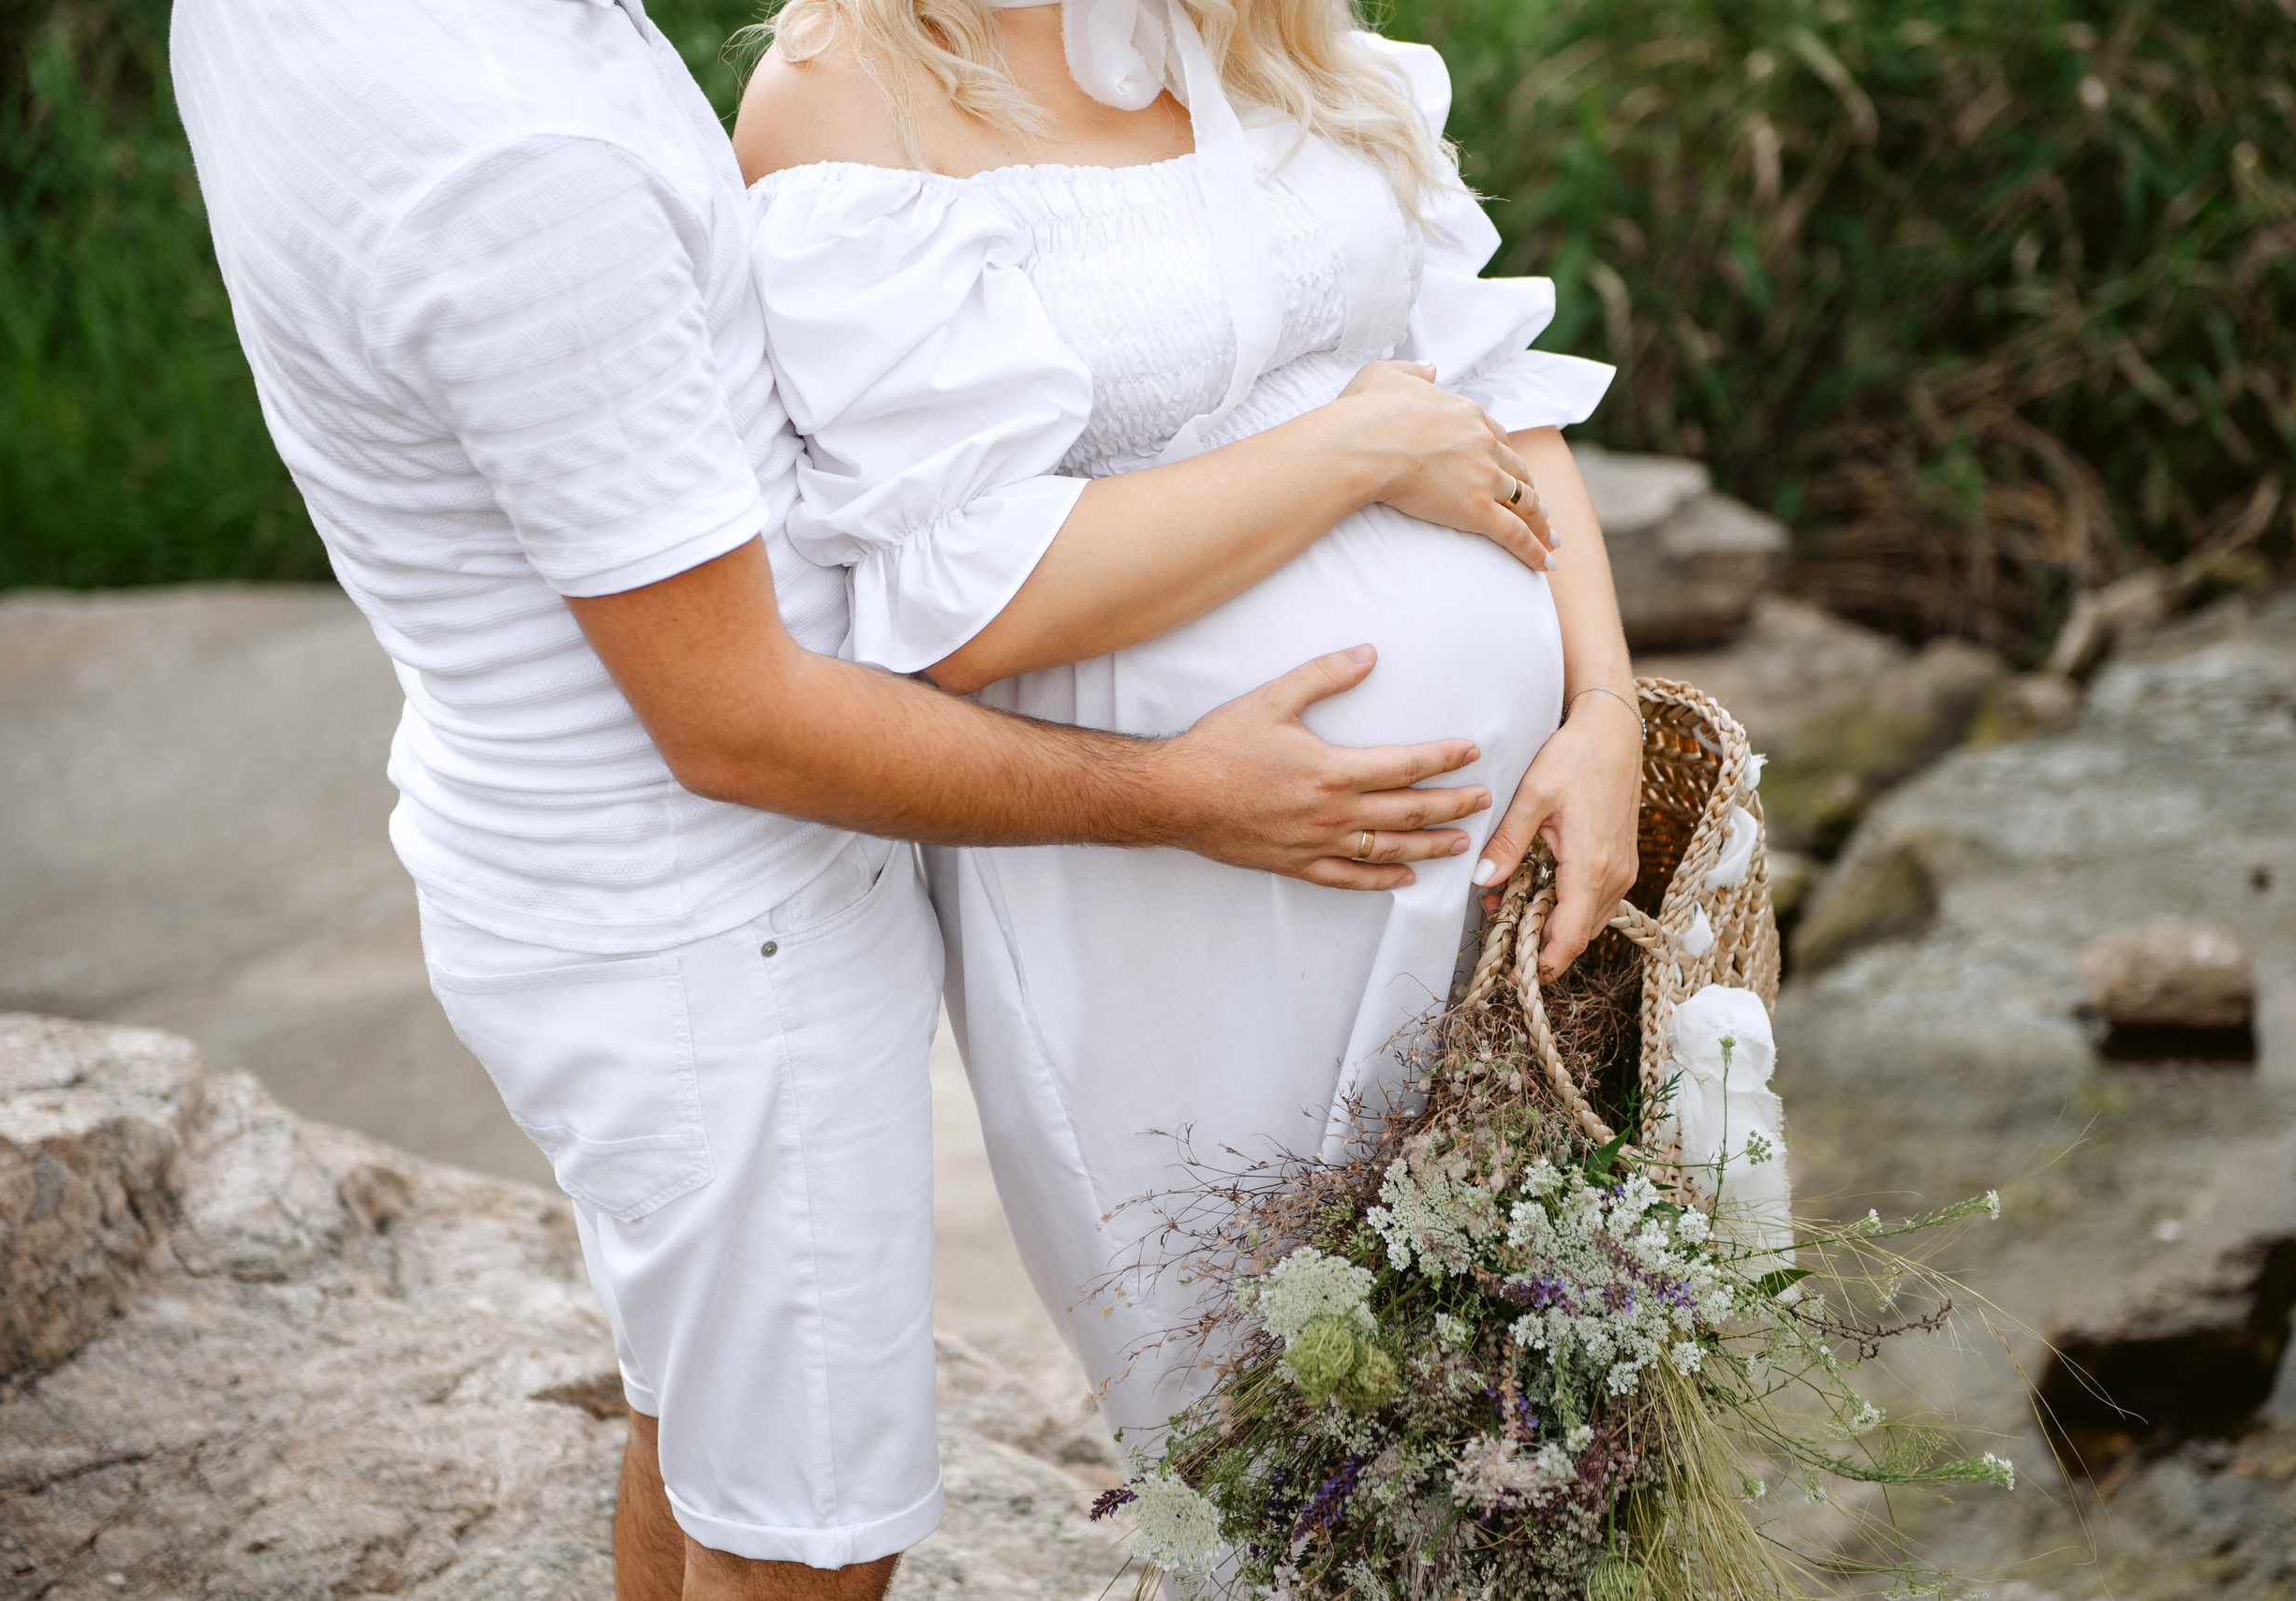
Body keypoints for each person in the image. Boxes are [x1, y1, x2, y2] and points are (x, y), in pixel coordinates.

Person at [167, 0, 1556, 1596]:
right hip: (716, 934)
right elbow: (737, 721)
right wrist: (1176, 790)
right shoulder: (526, 166)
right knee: (806, 1547)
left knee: (701, 1432)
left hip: (618, 889)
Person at [732, 0, 1645, 1479]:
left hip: (1493, 860)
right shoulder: (850, 87)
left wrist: (1603, 702)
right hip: (1182, 886)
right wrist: (1353, 450)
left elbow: (1480, 378)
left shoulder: (1263, 22)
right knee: (1280, 1435)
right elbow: (968, 598)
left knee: (1551, 1403)